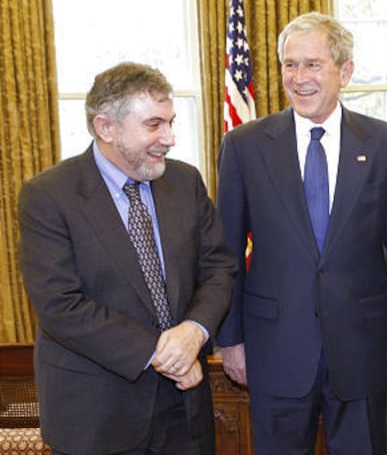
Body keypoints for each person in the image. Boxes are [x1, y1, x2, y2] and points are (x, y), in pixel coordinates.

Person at [215, 11, 387, 455]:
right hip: (274, 350)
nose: (299, 77)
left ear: (345, 71)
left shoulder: (386, 144)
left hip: (362, 350)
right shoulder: (245, 147)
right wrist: (229, 339)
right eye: (290, 64)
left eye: (313, 64)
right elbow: (227, 253)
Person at [18, 62, 237, 455]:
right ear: (106, 128)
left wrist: (195, 330)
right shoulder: (49, 196)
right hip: (97, 415)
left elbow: (218, 268)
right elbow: (60, 305)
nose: (169, 138)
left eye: (170, 122)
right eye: (154, 125)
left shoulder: (184, 181)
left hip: (185, 413)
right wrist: (164, 353)